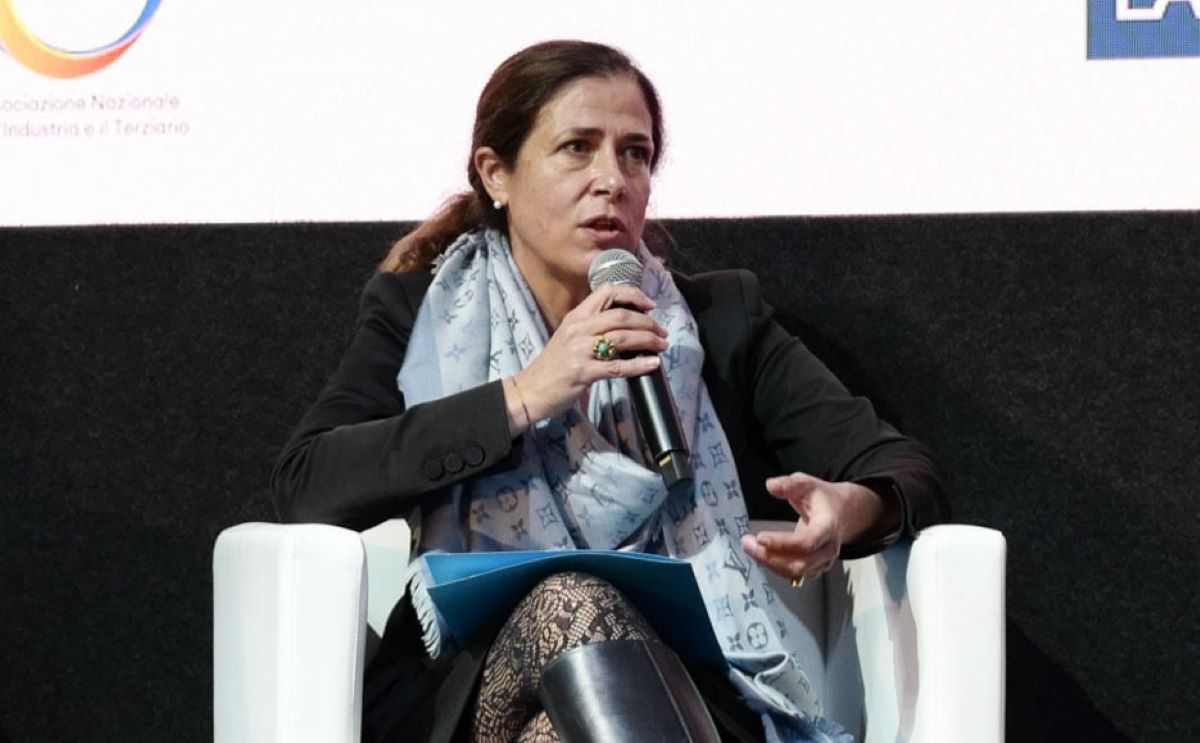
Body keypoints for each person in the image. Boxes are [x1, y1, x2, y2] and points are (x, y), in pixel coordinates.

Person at [271, 40, 949, 743]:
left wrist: (850, 509)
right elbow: (307, 483)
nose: (612, 180)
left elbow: (907, 471)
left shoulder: (716, 322)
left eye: (635, 154)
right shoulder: (421, 317)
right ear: (496, 174)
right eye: (577, 148)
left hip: (678, 686)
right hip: (464, 686)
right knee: (570, 599)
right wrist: (521, 395)